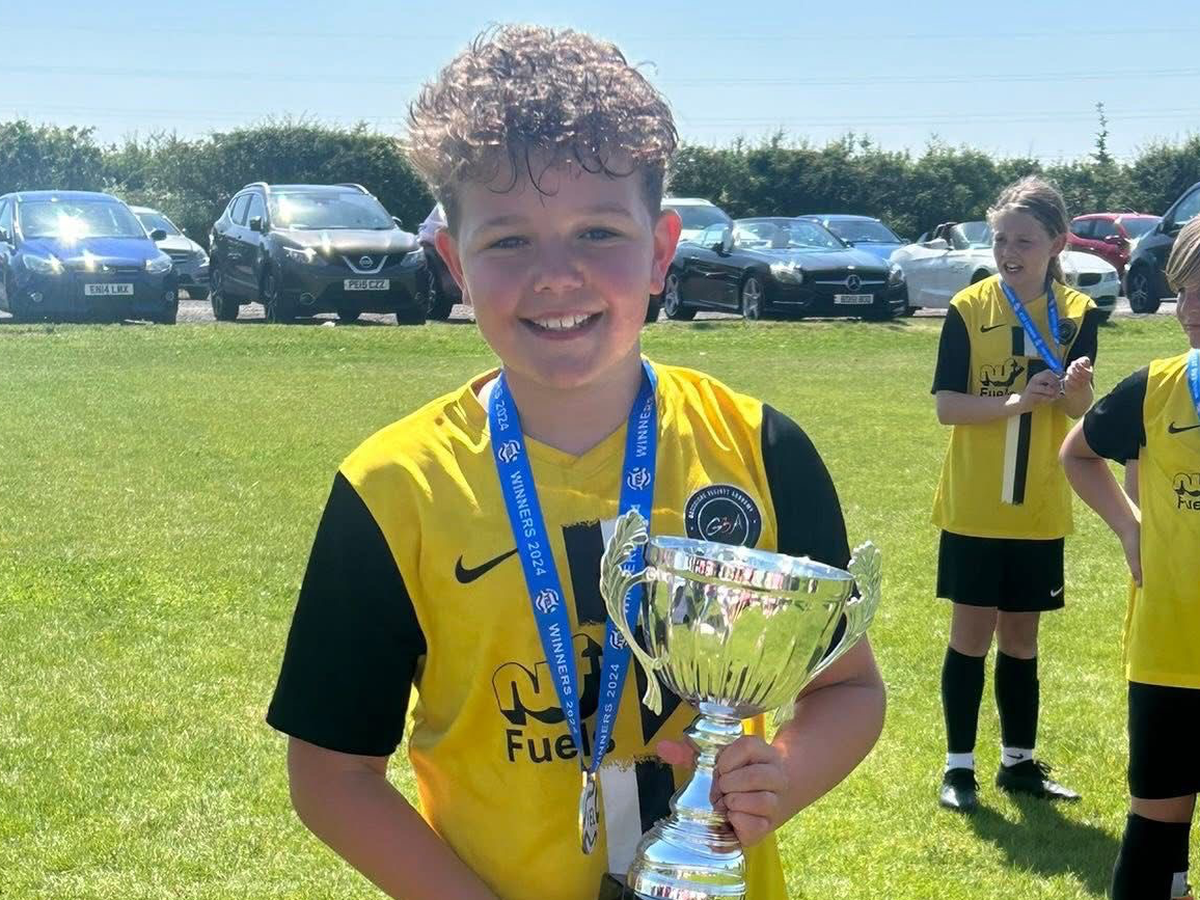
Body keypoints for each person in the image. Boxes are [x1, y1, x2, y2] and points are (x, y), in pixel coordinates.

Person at [266, 24, 885, 900]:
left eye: (597, 231)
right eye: (509, 241)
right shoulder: (393, 489)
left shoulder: (759, 449)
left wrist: (779, 776)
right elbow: (331, 774)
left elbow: (849, 689)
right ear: (454, 262)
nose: (556, 276)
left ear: (661, 251)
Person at [931, 176, 1102, 813]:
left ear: (1057, 243)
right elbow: (948, 407)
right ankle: (959, 768)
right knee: (971, 634)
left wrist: (1077, 390)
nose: (1009, 251)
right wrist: (1016, 402)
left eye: (1024, 241)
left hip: (1039, 505)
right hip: (975, 504)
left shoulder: (1078, 313)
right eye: (1001, 238)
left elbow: (1080, 412)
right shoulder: (968, 308)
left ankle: (1019, 763)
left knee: (1022, 639)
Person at [1061, 216, 1200, 900]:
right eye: (1185, 288)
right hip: (1169, 647)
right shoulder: (1156, 387)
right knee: (1154, 831)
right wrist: (1130, 527)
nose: (1191, 307)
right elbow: (1078, 454)